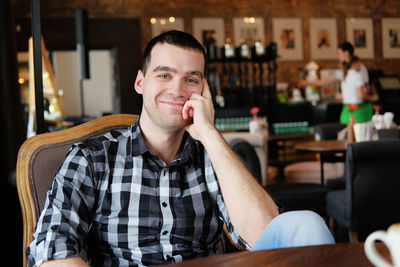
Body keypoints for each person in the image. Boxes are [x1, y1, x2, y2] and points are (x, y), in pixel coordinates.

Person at [27, 30, 334, 267]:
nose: (177, 89)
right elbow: (51, 245)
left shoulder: (212, 156)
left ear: (204, 91)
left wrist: (210, 134)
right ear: (140, 83)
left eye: (191, 79)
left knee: (306, 223)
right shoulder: (92, 158)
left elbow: (263, 234)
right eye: (164, 75)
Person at [335, 42, 378, 123]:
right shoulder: (357, 75)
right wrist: (374, 98)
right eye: (359, 63)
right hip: (358, 113)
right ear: (354, 63)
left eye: (339, 54)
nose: (360, 65)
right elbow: (361, 95)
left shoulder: (344, 74)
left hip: (346, 112)